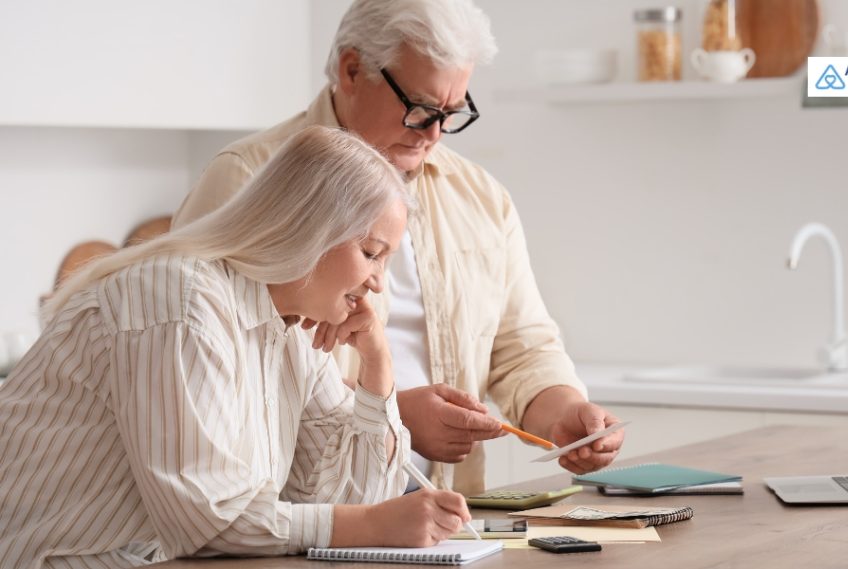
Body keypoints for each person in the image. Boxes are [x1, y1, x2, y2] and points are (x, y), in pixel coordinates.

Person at [173, 0, 625, 495]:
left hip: (443, 510)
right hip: (295, 513)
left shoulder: (481, 198)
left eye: (451, 113)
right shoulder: (245, 177)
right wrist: (390, 410)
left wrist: (563, 413)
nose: (434, 134)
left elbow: (522, 347)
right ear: (351, 70)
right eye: (419, 107)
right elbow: (204, 362)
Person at [0, 127, 472, 568]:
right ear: (310, 227)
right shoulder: (180, 301)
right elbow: (209, 521)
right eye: (371, 253)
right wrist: (372, 526)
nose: (377, 283)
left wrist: (378, 365)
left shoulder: (293, 330)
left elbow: (348, 499)